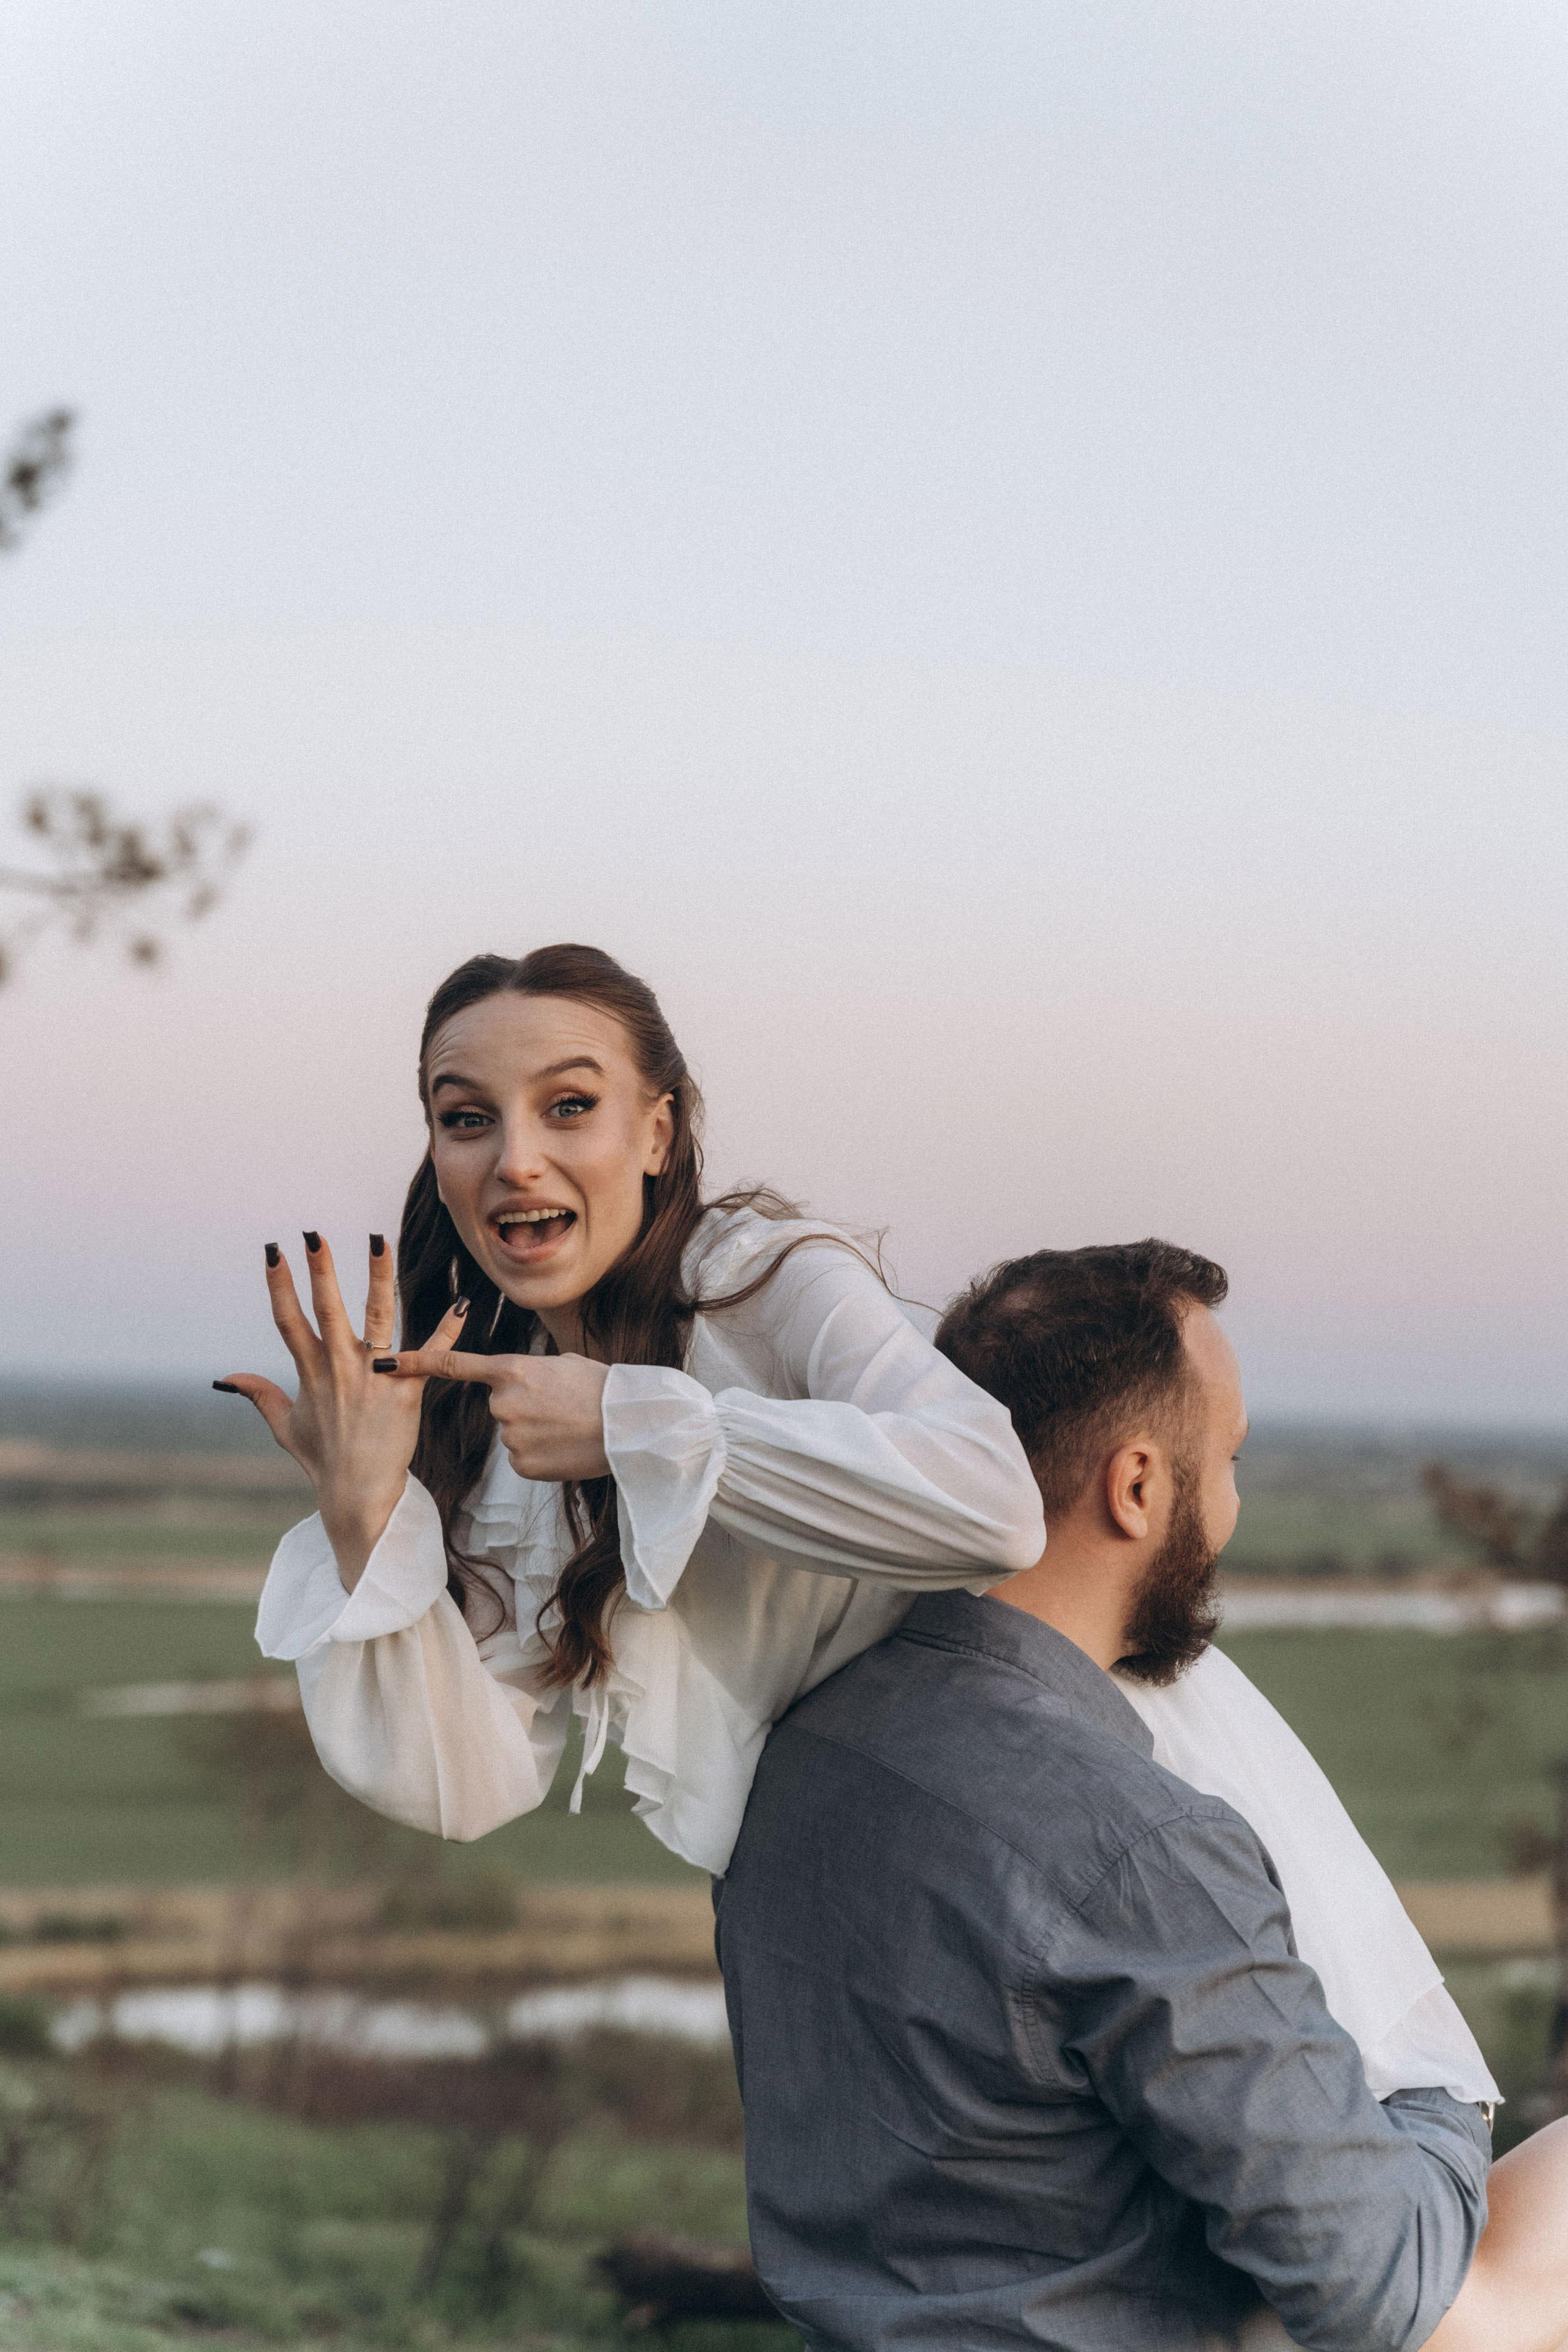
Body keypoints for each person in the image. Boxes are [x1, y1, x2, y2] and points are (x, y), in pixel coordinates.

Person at [230, 941, 1486, 2113]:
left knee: (1344, 2203)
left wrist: (638, 1424)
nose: (513, 1159)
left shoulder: (764, 1279)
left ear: (658, 1130)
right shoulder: (499, 1424)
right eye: (466, 1118)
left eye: (569, 1107)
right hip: (896, 1863)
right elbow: (469, 1784)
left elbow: (988, 1503)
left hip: (1086, 1789)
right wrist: (366, 1511)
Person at [715, 1240, 1568, 2352]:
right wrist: (1428, 2083)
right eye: (1228, 1462)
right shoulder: (1140, 1848)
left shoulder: (807, 1741)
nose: (1234, 1504)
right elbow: (1385, 2289)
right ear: (1136, 1488)